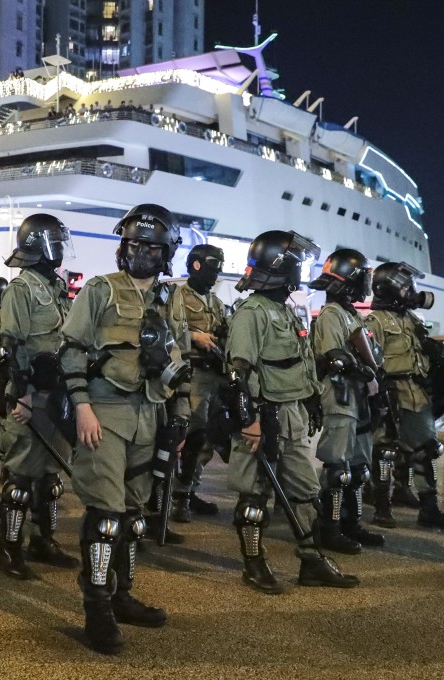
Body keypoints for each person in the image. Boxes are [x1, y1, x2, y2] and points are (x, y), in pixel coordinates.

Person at [60, 203, 190, 654]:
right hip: (105, 413)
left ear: (166, 251)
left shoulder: (171, 299)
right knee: (106, 516)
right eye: (134, 244)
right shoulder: (99, 290)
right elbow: (72, 351)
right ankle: (97, 610)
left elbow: (181, 361)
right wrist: (82, 408)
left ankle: (122, 595)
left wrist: (181, 414)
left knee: (134, 515)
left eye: (151, 248)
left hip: (150, 414)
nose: (140, 254)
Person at [226, 230, 359, 594]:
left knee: (304, 491)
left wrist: (313, 400)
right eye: (298, 263)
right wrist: (249, 420)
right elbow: (239, 373)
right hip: (264, 416)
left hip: (293, 416)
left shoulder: (284, 309)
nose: (303, 269)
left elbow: (301, 362)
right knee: (254, 498)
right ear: (280, 266)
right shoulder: (252, 314)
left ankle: (311, 560)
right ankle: (254, 563)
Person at [0, 213, 78, 579]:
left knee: (50, 479)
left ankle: (43, 540)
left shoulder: (56, 287)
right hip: (31, 396)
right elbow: (11, 348)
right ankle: (9, 547)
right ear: (40, 246)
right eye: (56, 242)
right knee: (20, 480)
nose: (61, 250)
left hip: (57, 397)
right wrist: (23, 397)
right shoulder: (22, 288)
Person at [364, 262, 444, 532]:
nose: (413, 292)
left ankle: (428, 508)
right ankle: (382, 507)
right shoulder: (375, 322)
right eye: (408, 287)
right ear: (392, 290)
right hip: (390, 394)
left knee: (425, 450)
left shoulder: (411, 318)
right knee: (384, 449)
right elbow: (368, 362)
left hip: (416, 393)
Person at [308, 249, 384, 553]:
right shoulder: (331, 315)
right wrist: (365, 372)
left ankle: (352, 524)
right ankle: (330, 527)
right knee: (337, 469)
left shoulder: (350, 314)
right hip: (339, 396)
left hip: (357, 398)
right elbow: (334, 358)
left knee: (358, 468)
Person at [172, 244, 227, 523]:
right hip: (192, 372)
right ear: (196, 265)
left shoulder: (215, 301)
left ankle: (190, 489)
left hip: (214, 374)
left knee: (207, 437)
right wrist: (195, 336)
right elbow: (169, 326)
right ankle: (178, 497)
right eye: (213, 265)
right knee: (189, 434)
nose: (216, 272)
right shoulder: (178, 295)